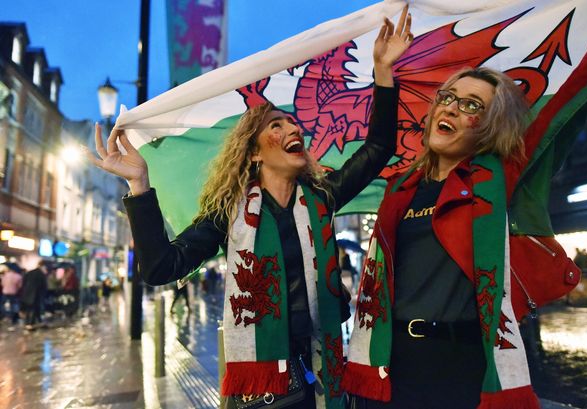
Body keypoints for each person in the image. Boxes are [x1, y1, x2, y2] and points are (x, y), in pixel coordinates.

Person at [84, 8, 413, 408]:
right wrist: (139, 185)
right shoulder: (229, 212)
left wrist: (382, 71)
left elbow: (379, 148)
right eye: (276, 125)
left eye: (294, 126)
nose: (293, 130)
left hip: (324, 371)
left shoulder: (321, 198)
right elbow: (161, 268)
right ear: (254, 153)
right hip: (263, 389)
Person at [343, 61, 581, 407]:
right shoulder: (401, 189)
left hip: (462, 364)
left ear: (491, 125)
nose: (451, 108)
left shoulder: (501, 182)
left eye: (471, 105)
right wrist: (381, 68)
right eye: (448, 97)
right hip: (393, 363)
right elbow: (378, 142)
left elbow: (569, 108)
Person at [21, 261, 48, 330]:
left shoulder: (29, 272)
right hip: (36, 294)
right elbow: (44, 286)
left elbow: (23, 283)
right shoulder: (41, 274)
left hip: (27, 294)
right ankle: (31, 323)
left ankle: (28, 323)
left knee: (29, 309)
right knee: (34, 309)